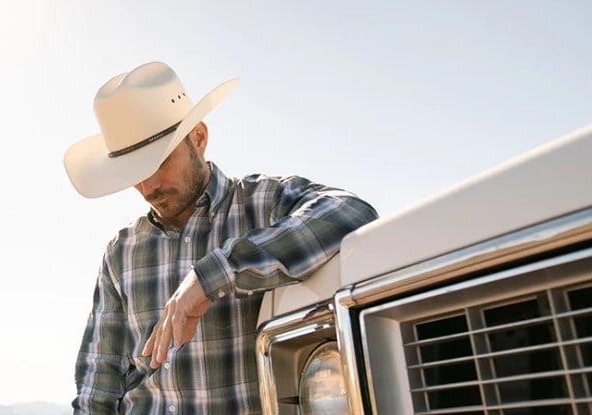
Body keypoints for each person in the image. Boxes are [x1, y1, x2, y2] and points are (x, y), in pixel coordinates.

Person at [63, 61, 378, 414]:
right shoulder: (121, 253)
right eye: (133, 173)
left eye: (156, 163)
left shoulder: (264, 204)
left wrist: (214, 274)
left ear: (198, 138)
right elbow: (98, 384)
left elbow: (350, 212)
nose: (147, 187)